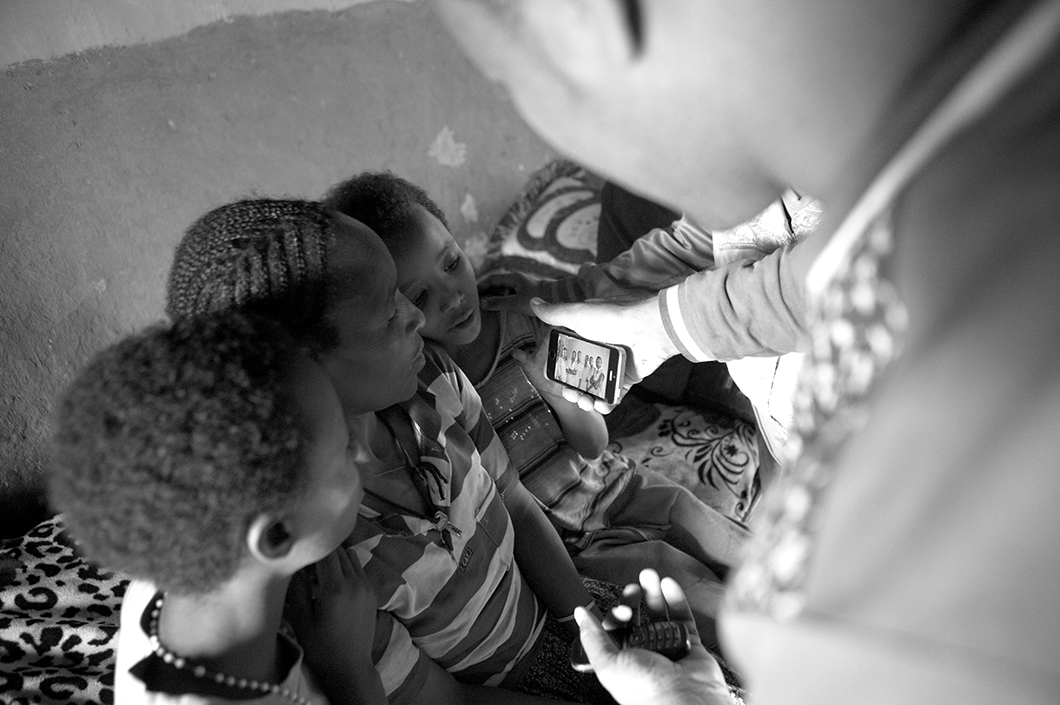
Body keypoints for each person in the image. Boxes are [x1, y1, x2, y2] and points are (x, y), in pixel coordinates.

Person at [431, 0, 1060, 703]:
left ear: (582, 20)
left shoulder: (889, 573)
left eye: (507, 83)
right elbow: (775, 264)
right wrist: (652, 323)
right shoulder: (968, 173)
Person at [165, 198, 618, 704]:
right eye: (388, 312)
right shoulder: (326, 536)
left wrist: (591, 634)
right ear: (308, 367)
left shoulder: (434, 380)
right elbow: (443, 698)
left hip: (563, 619)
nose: (416, 316)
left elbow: (513, 501)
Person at [321, 171, 750, 649]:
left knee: (742, 551)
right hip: (574, 545)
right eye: (420, 296)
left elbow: (594, 442)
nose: (455, 296)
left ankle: (825, 617)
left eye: (451, 262)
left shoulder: (524, 322)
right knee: (690, 586)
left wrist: (552, 387)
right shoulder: (426, 399)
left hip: (622, 485)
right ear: (394, 310)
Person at [48, 311, 385, 704]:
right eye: (345, 449)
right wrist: (350, 669)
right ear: (276, 534)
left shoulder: (163, 580)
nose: (363, 451)